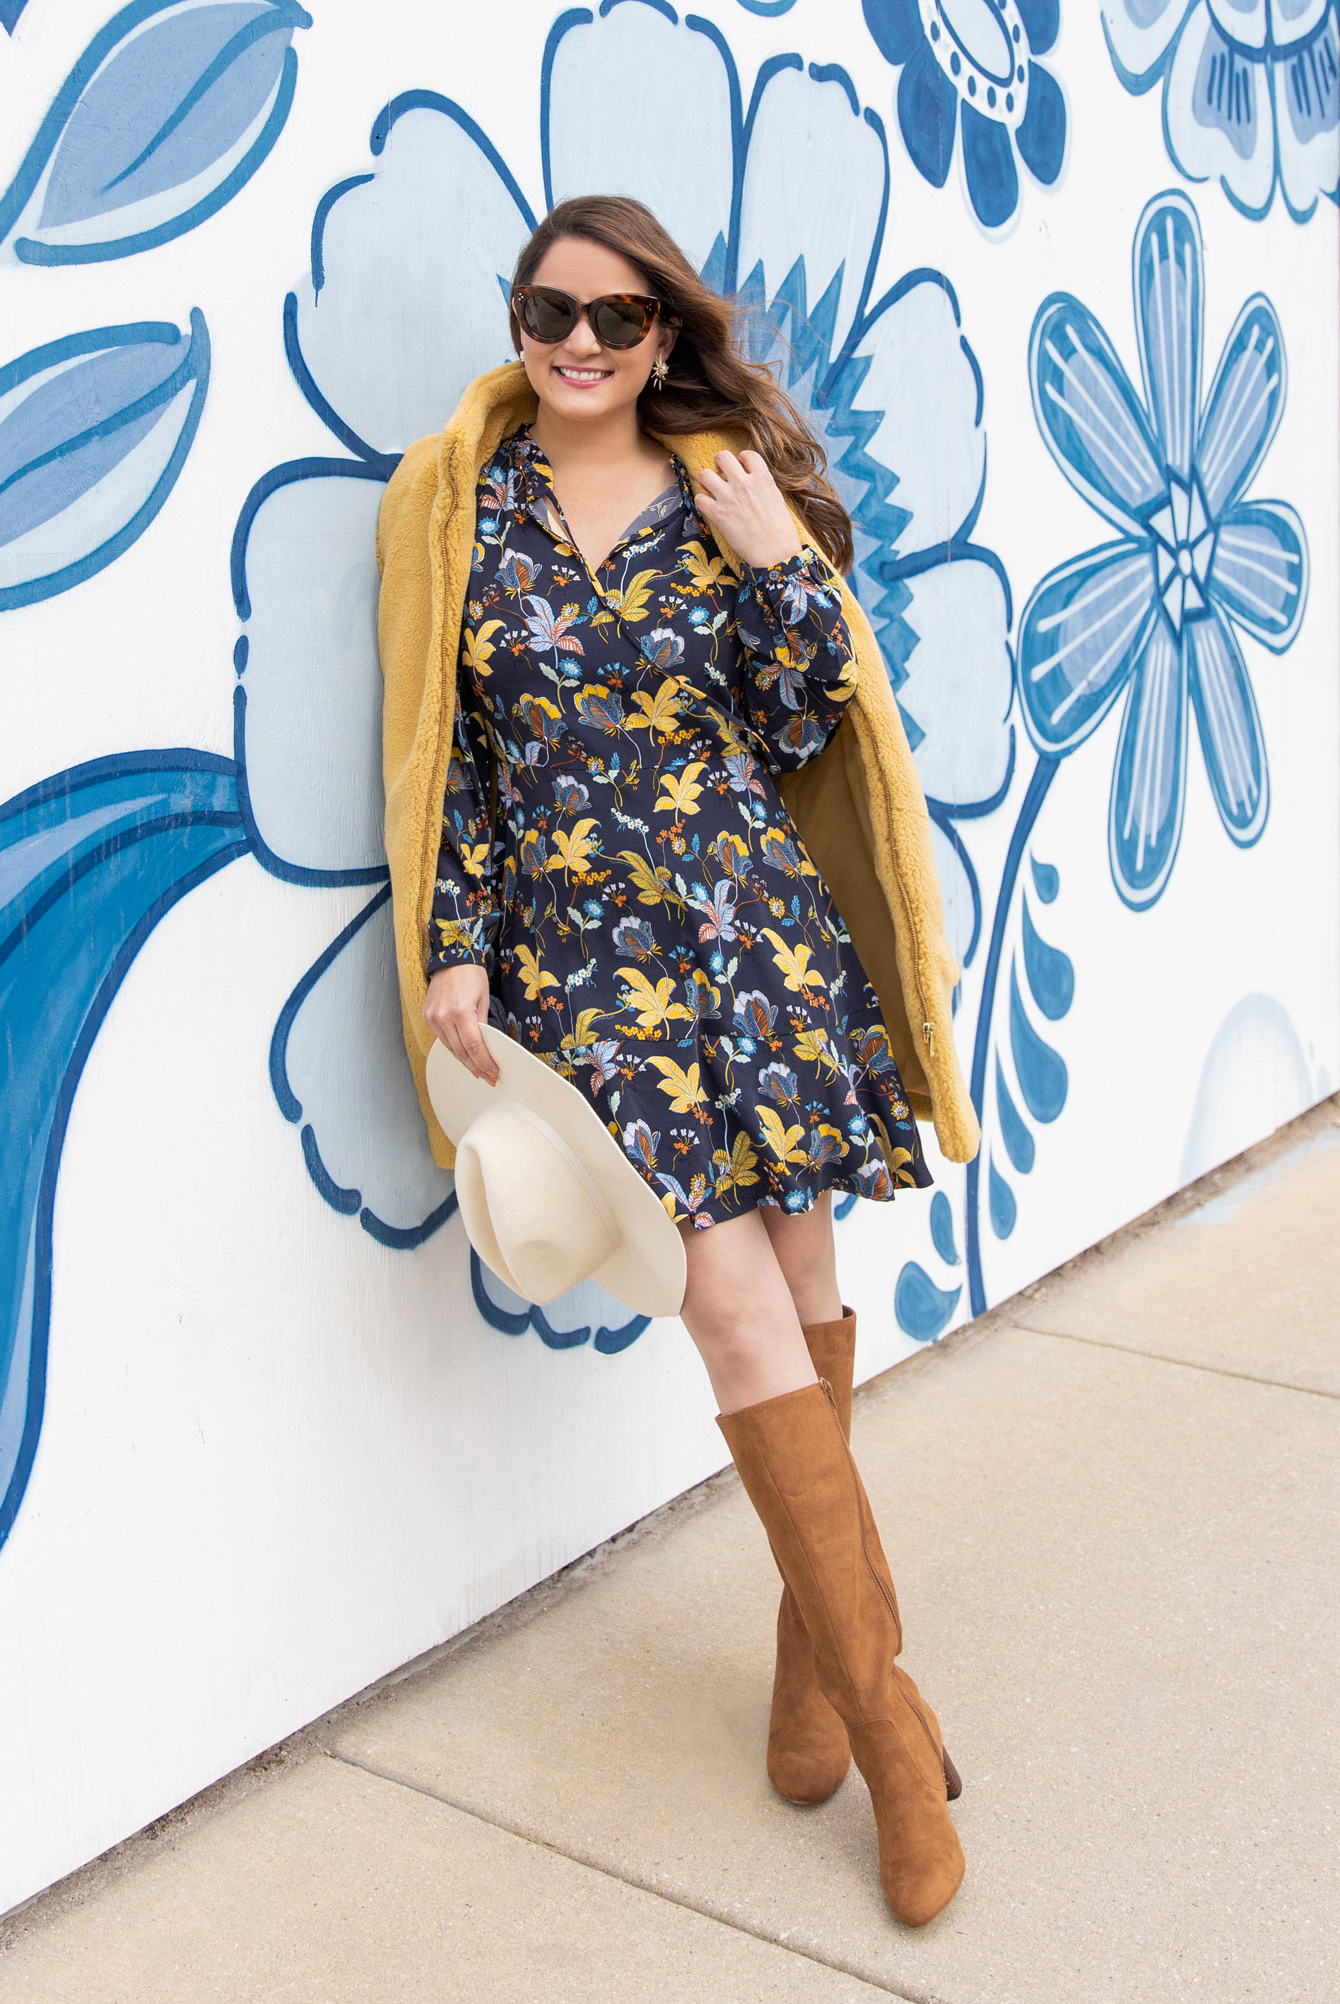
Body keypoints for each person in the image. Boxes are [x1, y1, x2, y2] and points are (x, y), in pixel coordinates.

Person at [377, 195, 979, 1927]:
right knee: (730, 1310)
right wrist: (457, 939)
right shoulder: (462, 519)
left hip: (755, 935)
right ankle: (888, 1726)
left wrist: (786, 561)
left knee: (798, 1282)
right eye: (548, 307)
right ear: (519, 319)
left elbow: (798, 720)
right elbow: (459, 759)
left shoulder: (721, 493)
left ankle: (813, 1679)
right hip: (594, 979)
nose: (578, 341)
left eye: (618, 318)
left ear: (663, 338)